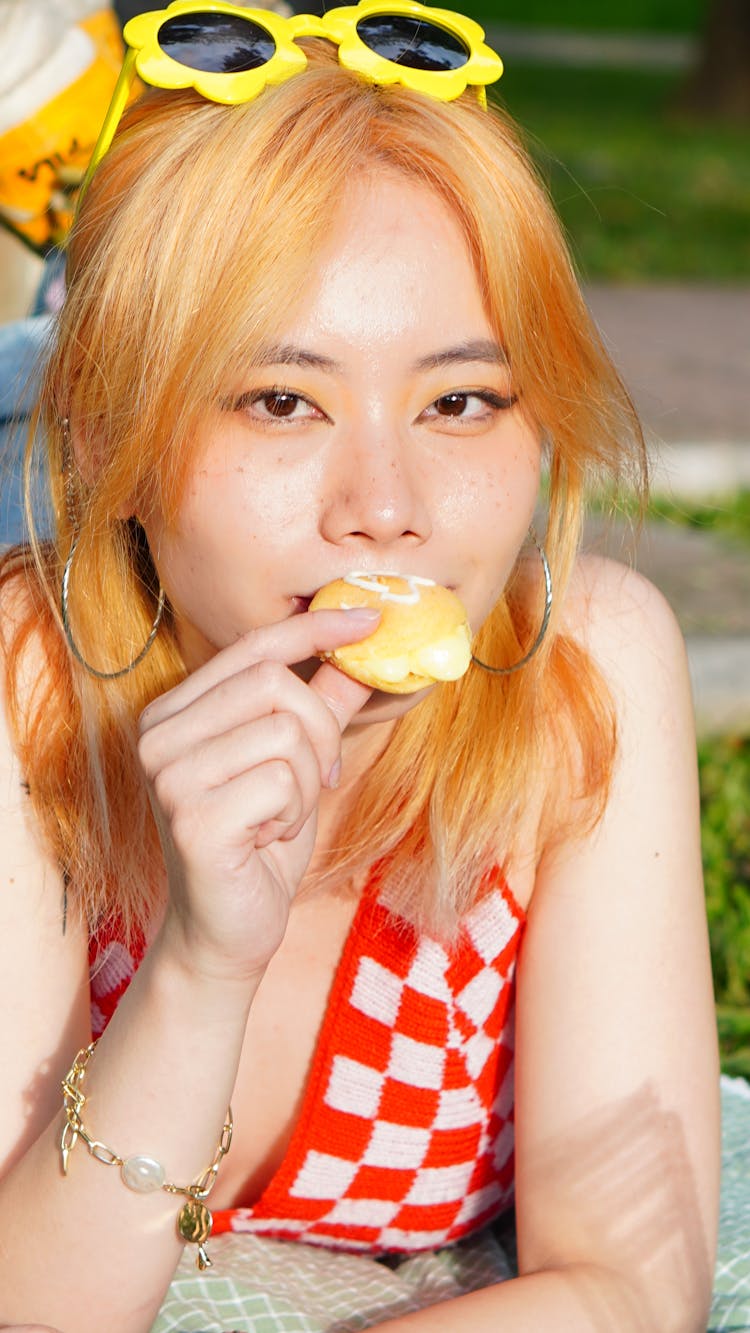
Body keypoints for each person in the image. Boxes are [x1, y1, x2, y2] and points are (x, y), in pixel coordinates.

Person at [0, 3, 720, 1330]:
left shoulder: (579, 676)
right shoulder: (25, 692)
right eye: (280, 400)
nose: (385, 507)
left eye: (461, 400)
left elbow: (628, 1284)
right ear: (110, 440)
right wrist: (203, 968)